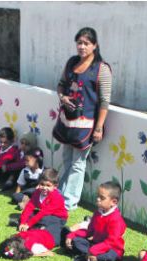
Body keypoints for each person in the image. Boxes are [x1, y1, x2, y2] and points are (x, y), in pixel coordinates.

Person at [52, 27, 113, 211]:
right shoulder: (72, 63)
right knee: (66, 158)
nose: (82, 46)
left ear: (95, 45)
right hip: (67, 121)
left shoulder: (102, 69)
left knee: (78, 163)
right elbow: (61, 85)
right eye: (79, 42)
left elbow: (104, 101)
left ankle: (69, 202)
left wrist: (99, 128)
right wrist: (62, 98)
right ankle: (60, 196)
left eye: (86, 43)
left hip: (86, 125)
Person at [64, 181, 126, 261]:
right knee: (76, 241)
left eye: (102, 198)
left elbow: (111, 242)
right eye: (98, 196)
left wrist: (93, 250)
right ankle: (91, 258)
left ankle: (98, 260)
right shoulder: (98, 212)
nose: (98, 199)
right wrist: (72, 235)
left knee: (112, 254)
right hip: (96, 244)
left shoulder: (116, 220)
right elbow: (89, 232)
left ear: (113, 202)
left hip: (112, 248)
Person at [17, 168, 68, 246]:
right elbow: (29, 207)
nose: (44, 188)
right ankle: (38, 227)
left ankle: (40, 228)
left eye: (48, 185)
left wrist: (28, 225)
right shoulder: (37, 192)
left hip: (58, 218)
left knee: (42, 220)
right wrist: (23, 222)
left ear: (55, 186)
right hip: (45, 215)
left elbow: (43, 213)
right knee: (27, 215)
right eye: (42, 184)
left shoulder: (56, 197)